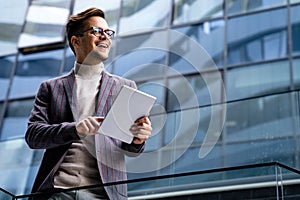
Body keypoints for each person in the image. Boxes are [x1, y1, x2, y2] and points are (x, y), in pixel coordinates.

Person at [25, 7, 152, 200]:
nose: (105, 37)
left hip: (104, 194)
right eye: (97, 32)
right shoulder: (51, 88)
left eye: (108, 33)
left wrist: (138, 139)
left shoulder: (125, 87)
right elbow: (33, 136)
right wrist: (76, 129)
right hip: (57, 191)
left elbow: (130, 147)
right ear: (76, 41)